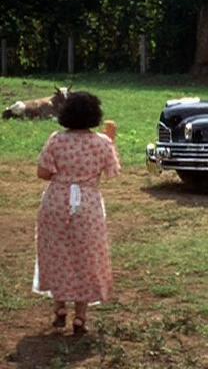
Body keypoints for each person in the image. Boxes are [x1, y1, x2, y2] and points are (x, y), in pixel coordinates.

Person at [34, 91, 120, 335]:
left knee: (57, 253)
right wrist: (112, 140)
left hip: (56, 203)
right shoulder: (102, 143)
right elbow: (112, 171)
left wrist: (63, 176)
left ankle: (60, 307)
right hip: (88, 205)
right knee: (86, 256)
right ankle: (81, 316)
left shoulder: (56, 140)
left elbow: (42, 173)